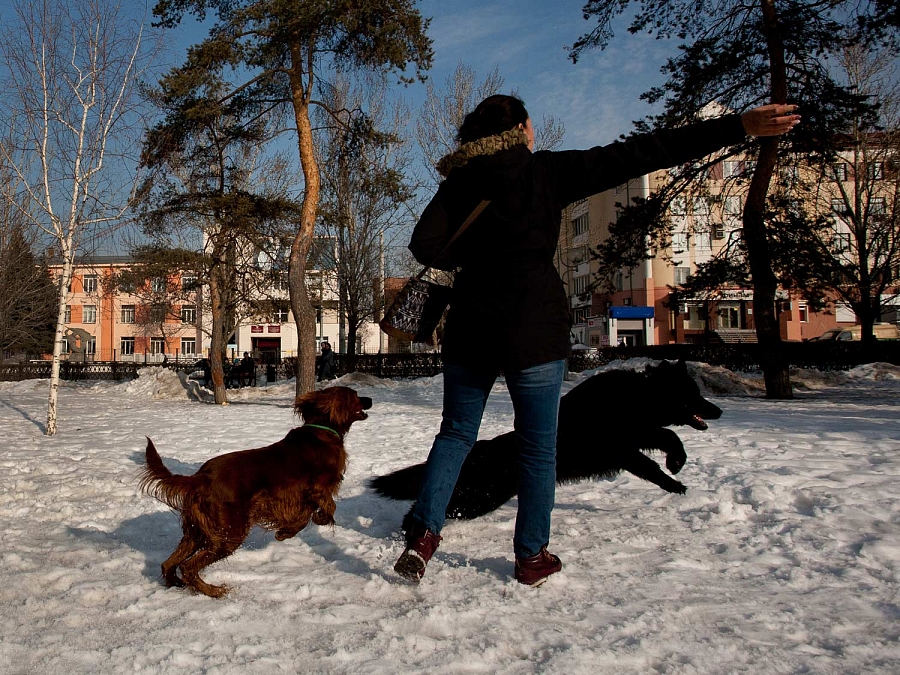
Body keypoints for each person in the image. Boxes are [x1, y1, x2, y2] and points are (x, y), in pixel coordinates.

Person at [394, 94, 800, 586]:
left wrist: (477, 257)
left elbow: (423, 245)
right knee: (539, 447)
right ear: (522, 128)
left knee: (456, 434)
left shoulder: (460, 181)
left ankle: (422, 536)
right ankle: (530, 557)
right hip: (535, 329)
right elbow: (642, 153)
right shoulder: (546, 172)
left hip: (473, 327)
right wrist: (737, 127)